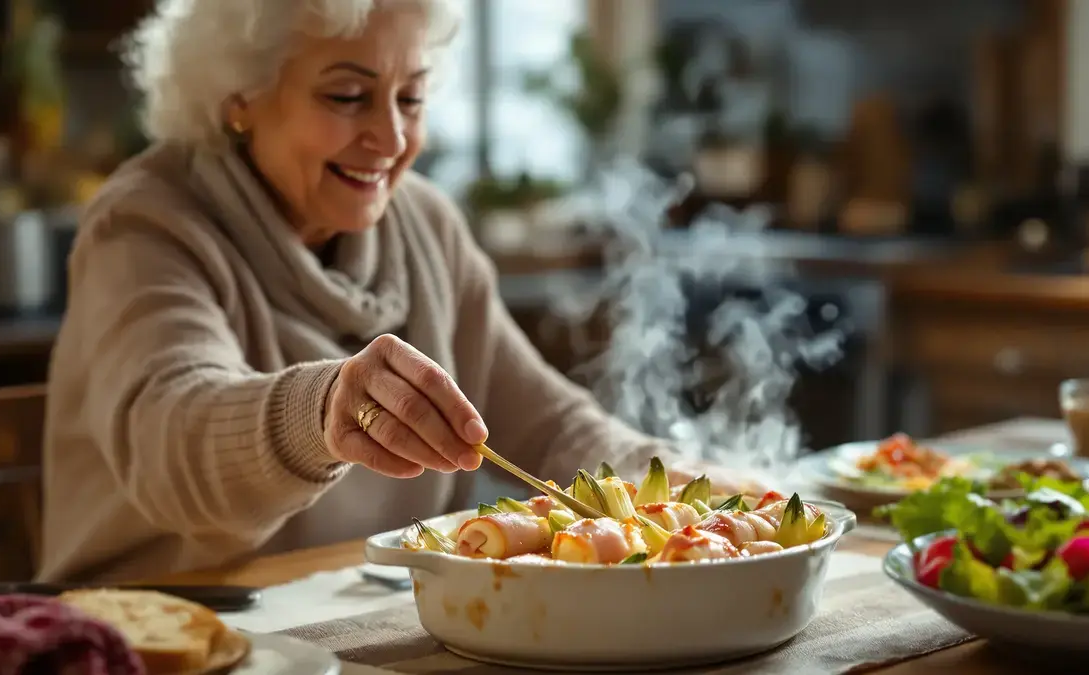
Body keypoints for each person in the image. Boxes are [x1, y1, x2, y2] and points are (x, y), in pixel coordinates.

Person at [38, 0, 743, 582]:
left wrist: (671, 480)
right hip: (160, 631)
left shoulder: (426, 225)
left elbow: (547, 425)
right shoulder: (146, 224)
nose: (391, 136)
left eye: (411, 97)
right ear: (240, 98)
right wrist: (323, 411)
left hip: (347, 623)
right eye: (347, 96)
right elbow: (172, 439)